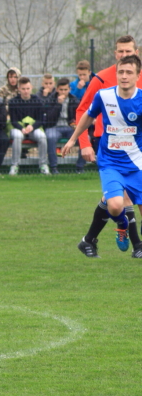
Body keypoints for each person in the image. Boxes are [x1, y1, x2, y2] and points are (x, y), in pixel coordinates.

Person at [63, 55, 142, 256]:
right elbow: (88, 115)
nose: (124, 76)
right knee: (115, 206)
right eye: (121, 72)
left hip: (137, 163)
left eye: (129, 72)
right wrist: (73, 139)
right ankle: (122, 224)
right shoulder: (104, 96)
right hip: (110, 162)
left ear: (137, 75)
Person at [7, 77, 50, 176]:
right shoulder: (13, 102)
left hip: (33, 128)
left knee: (42, 137)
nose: (26, 91)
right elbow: (13, 120)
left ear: (31, 88)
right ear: (19, 89)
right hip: (18, 128)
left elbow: (40, 119)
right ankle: (15, 165)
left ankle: (43, 164)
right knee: (17, 136)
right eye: (23, 89)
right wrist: (21, 128)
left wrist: (32, 127)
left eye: (27, 88)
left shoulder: (37, 101)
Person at [42, 78, 80, 175]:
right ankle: (54, 167)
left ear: (69, 89)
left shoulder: (74, 100)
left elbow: (77, 116)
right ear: (57, 89)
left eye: (65, 89)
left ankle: (80, 167)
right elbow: (49, 118)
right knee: (50, 137)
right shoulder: (51, 99)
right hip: (54, 126)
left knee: (84, 137)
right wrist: (58, 104)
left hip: (69, 127)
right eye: (61, 90)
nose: (63, 92)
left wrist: (74, 124)